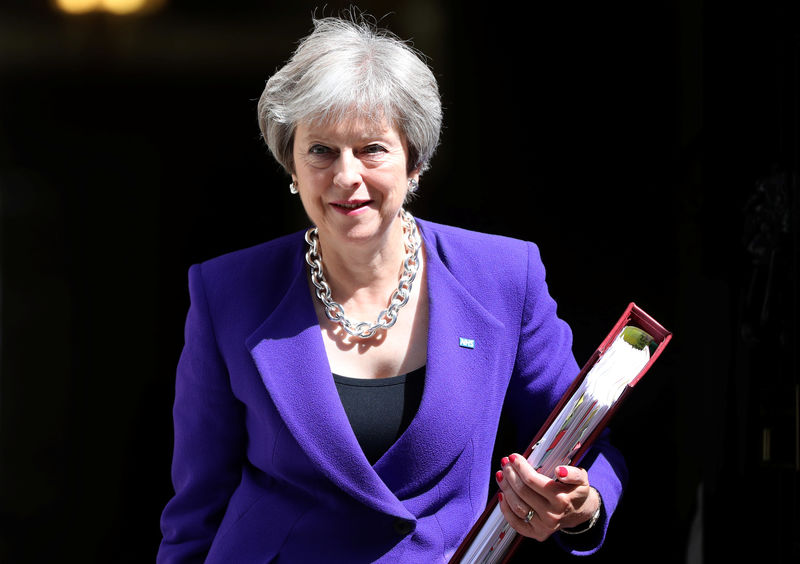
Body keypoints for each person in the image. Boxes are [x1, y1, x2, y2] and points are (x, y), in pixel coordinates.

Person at [157, 12, 627, 564]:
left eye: (372, 148)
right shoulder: (227, 291)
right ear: (291, 164)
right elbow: (197, 507)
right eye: (321, 151)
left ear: (415, 161)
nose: (346, 175)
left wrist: (581, 502)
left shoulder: (503, 276)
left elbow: (583, 441)